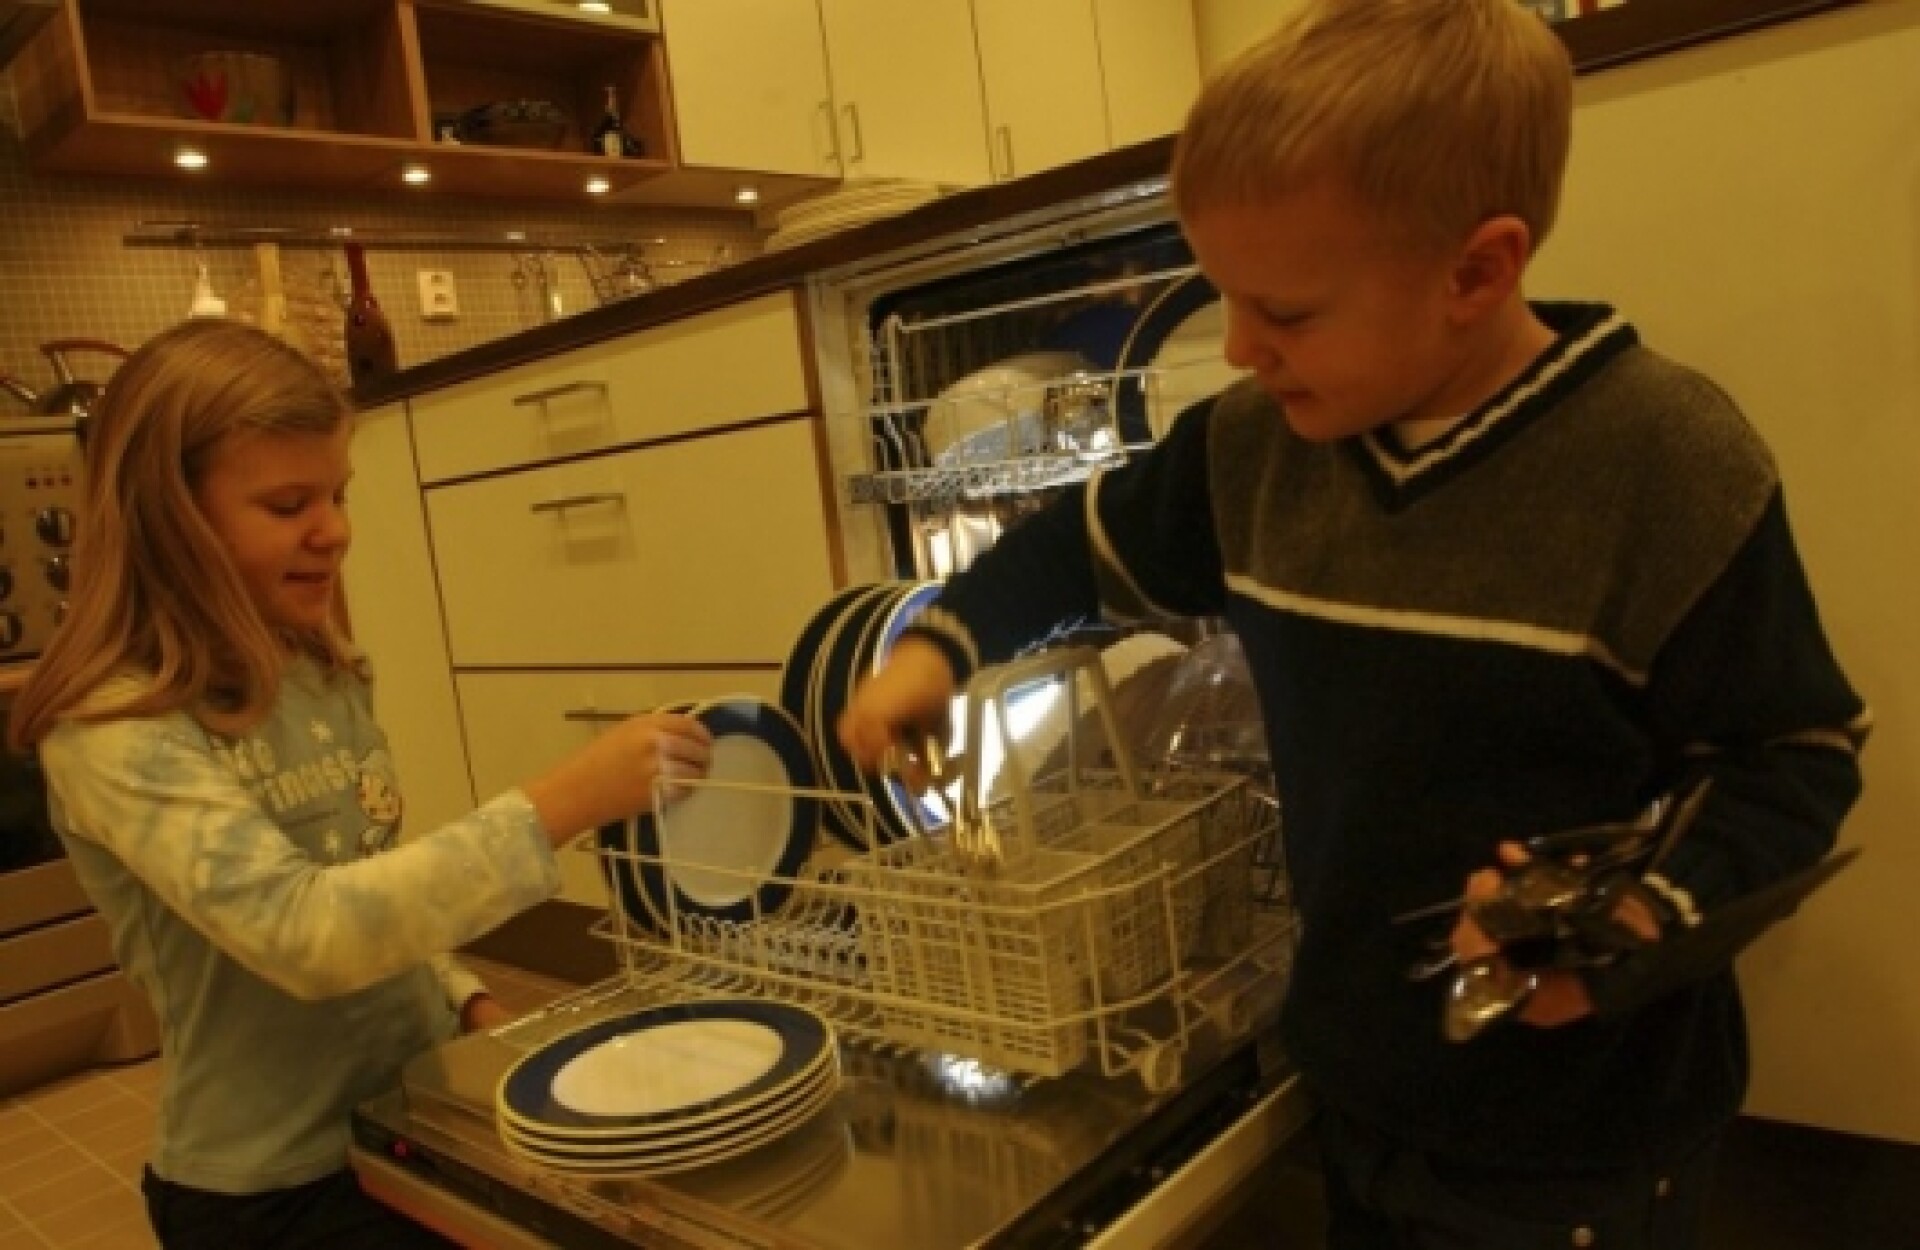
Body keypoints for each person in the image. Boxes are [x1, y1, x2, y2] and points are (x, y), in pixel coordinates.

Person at [838, 1, 1868, 1246]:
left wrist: (1636, 918)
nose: (1242, 349)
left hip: (1584, 1135)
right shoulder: (1252, 449)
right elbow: (1077, 546)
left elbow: (1793, 760)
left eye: (1286, 312)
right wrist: (938, 644)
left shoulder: (1665, 464)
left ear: (1475, 272)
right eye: (1224, 299)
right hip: (1362, 1075)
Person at [6, 319, 712, 1249]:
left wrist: (460, 998)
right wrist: (565, 801)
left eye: (337, 493)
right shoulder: (116, 729)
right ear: (170, 520)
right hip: (270, 1190)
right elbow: (309, 934)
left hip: (405, 1120)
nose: (333, 530)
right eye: (287, 504)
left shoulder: (316, 668)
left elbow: (366, 877)